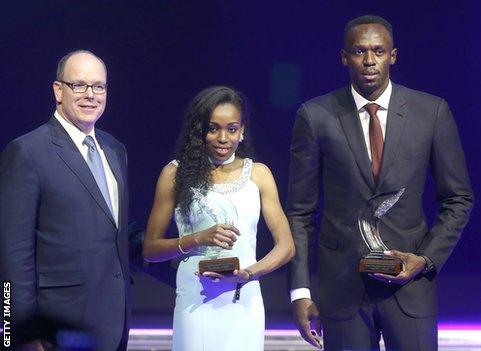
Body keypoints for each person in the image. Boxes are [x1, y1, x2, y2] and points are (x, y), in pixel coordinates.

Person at [287, 15, 474, 350]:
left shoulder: (430, 112)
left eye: (378, 51)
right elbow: (300, 213)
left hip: (410, 285)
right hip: (343, 290)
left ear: (393, 55)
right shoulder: (315, 116)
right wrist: (300, 292)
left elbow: (458, 198)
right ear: (344, 56)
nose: (370, 60)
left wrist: (424, 259)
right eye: (360, 51)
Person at [143, 86, 295, 351]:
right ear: (199, 129)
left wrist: (248, 274)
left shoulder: (259, 174)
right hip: (195, 301)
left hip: (244, 300)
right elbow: (150, 250)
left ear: (242, 130)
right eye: (213, 128)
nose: (223, 138)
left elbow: (286, 246)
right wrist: (198, 238)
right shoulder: (175, 174)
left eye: (232, 129)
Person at [0, 50, 132, 350]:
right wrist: (18, 334)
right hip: (55, 330)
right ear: (58, 90)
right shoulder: (27, 152)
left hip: (114, 324)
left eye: (99, 86)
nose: (91, 95)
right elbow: (11, 253)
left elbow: (115, 232)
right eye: (79, 85)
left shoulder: (115, 150)